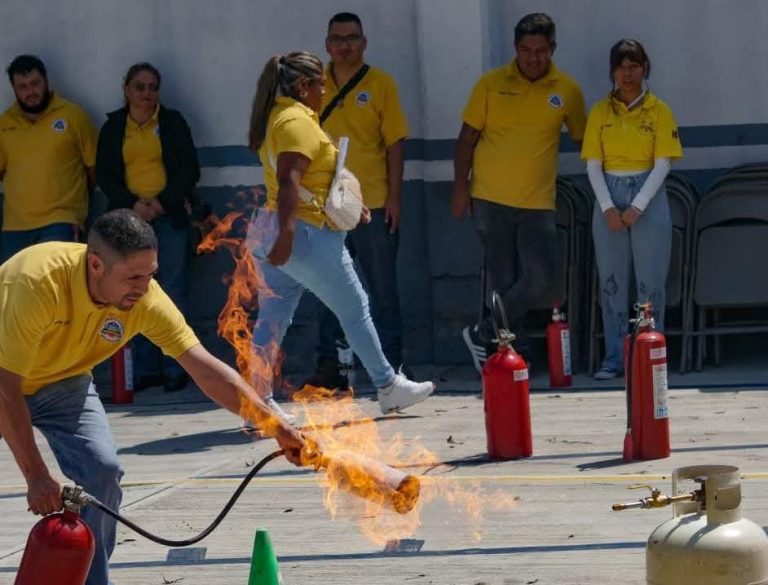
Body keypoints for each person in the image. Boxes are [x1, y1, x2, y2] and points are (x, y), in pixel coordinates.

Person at [0, 210, 305, 585]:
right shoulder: (38, 282)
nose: (144, 288)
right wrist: (36, 476)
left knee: (103, 472)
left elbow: (204, 369)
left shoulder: (144, 298)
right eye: (133, 277)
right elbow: (5, 387)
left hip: (64, 382)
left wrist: (275, 426)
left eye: (151, 275)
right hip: (4, 379)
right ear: (95, 264)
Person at [246, 51, 434, 421]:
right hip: (306, 235)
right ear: (303, 86)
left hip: (281, 230)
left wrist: (348, 206)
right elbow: (289, 180)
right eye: (320, 85)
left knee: (273, 316)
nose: (323, 91)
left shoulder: (280, 117)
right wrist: (288, 235)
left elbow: (309, 182)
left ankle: (255, 399)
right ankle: (387, 385)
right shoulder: (295, 122)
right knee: (355, 308)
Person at [452, 13, 586, 373]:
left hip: (538, 202)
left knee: (538, 280)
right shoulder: (490, 84)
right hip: (490, 200)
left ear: (553, 49)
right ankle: (510, 357)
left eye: (541, 50)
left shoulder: (567, 91)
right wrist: (460, 189)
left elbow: (586, 139)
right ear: (516, 49)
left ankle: (483, 331)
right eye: (526, 50)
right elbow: (466, 139)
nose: (533, 58)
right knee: (504, 280)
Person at [303, 11, 411, 391]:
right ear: (327, 44)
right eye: (337, 39)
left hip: (375, 202)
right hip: (325, 206)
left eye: (351, 38)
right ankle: (329, 367)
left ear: (363, 43)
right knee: (327, 288)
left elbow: (395, 143)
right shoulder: (313, 85)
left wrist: (395, 198)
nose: (344, 45)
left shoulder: (380, 84)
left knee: (382, 289)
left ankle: (392, 367)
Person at [96, 62, 201, 393]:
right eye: (139, 87)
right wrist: (133, 205)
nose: (146, 93)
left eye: (152, 87)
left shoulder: (172, 123)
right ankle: (144, 369)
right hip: (128, 224)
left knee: (172, 290)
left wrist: (161, 203)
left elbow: (189, 170)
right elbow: (105, 174)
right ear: (126, 89)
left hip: (168, 217)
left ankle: (176, 366)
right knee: (132, 292)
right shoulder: (113, 127)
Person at [581, 39, 683, 380]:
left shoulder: (659, 110)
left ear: (645, 69)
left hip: (648, 195)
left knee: (650, 282)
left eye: (634, 66)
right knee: (611, 281)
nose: (628, 74)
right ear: (612, 71)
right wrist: (608, 207)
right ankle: (614, 357)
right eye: (621, 67)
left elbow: (664, 162)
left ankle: (651, 354)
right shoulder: (600, 111)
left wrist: (639, 205)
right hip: (608, 191)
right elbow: (593, 164)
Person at [0, 55, 97, 262]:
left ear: (46, 81)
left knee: (59, 286)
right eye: (22, 87)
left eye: (35, 83)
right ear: (14, 89)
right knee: (17, 290)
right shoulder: (4, 124)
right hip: (14, 227)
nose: (30, 92)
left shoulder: (73, 116)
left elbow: (93, 168)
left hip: (61, 220)